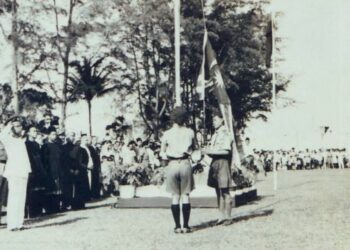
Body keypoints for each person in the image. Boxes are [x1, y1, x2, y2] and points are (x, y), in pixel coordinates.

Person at [160, 107, 195, 234]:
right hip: (185, 163)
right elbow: (194, 148)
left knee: (175, 196)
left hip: (172, 163)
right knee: (185, 195)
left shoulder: (167, 133)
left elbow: (162, 152)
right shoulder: (190, 132)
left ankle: (177, 226)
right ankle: (186, 226)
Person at [0, 117, 31, 231]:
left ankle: (19, 223)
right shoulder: (8, 139)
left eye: (20, 126)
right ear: (12, 128)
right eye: (17, 126)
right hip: (14, 172)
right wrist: (10, 122)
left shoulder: (21, 140)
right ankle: (12, 224)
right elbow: (2, 134)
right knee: (14, 198)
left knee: (21, 198)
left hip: (23, 171)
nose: (20, 128)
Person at [203, 110, 233, 225]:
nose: (213, 122)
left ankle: (228, 217)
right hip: (214, 162)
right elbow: (214, 150)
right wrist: (207, 151)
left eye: (215, 119)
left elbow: (226, 151)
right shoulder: (215, 134)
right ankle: (221, 217)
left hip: (223, 162)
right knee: (217, 191)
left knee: (225, 191)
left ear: (221, 120)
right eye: (213, 120)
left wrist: (210, 151)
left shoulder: (226, 133)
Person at [25, 125, 49, 218]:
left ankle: (38, 210)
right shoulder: (26, 144)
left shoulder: (36, 144)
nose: (35, 132)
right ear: (28, 133)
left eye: (36, 131)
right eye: (33, 131)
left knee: (39, 190)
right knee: (31, 192)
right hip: (31, 170)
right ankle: (31, 212)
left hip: (39, 170)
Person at [41, 128, 63, 213]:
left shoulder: (57, 145)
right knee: (51, 190)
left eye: (55, 134)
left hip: (58, 171)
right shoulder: (45, 146)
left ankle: (57, 207)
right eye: (53, 134)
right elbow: (44, 160)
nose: (55, 136)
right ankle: (50, 208)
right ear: (49, 135)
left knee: (58, 190)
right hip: (50, 171)